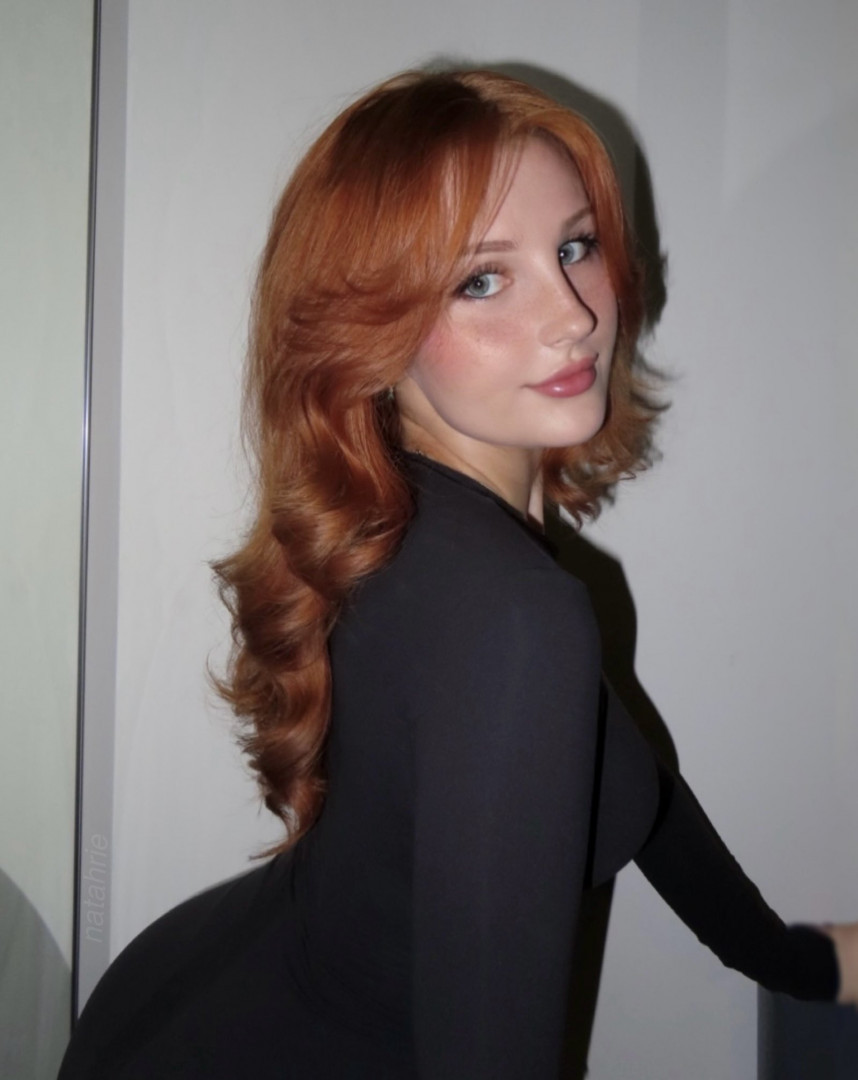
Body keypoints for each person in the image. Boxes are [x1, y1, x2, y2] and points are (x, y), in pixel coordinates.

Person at [59, 68, 857, 1079]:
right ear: (370, 331)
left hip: (190, 997)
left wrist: (791, 961)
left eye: (575, 247)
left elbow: (627, 774)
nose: (571, 315)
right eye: (482, 279)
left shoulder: (404, 526)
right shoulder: (512, 612)